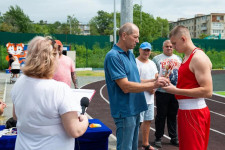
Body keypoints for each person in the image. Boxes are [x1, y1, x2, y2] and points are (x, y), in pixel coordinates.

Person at [11, 36, 89, 150]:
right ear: (52, 59)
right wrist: (84, 120)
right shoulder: (60, 89)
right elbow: (75, 130)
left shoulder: (19, 83)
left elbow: (15, 116)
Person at [104, 22, 170, 150]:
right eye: (135, 37)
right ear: (124, 35)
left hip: (134, 109)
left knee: (132, 147)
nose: (137, 40)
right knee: (125, 147)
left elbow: (135, 80)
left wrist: (155, 80)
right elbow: (125, 86)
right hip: (125, 111)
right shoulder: (113, 56)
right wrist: (153, 84)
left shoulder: (130, 54)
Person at [163, 25, 212, 150]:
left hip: (194, 113)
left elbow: (207, 91)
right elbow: (188, 83)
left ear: (183, 39)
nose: (172, 47)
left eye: (174, 43)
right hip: (186, 112)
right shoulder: (186, 57)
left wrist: (176, 90)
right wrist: (172, 85)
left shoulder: (198, 58)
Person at [152, 40, 182, 148]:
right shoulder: (157, 59)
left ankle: (173, 137)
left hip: (174, 91)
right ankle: (158, 138)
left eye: (170, 46)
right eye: (167, 46)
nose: (169, 48)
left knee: (172, 116)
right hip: (162, 92)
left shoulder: (178, 58)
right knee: (161, 116)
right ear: (163, 47)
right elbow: (153, 74)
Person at [136, 42, 158, 150]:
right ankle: (132, 144)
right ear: (139, 50)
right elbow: (136, 81)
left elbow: (156, 77)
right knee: (137, 123)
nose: (146, 52)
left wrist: (154, 87)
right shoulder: (135, 63)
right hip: (139, 98)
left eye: (148, 50)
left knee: (148, 120)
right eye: (144, 50)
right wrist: (151, 85)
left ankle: (145, 143)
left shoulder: (152, 64)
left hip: (150, 99)